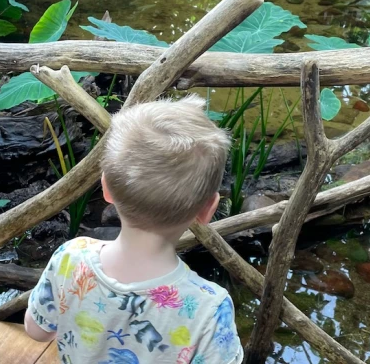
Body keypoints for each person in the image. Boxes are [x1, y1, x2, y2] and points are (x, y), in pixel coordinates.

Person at [24, 94, 244, 363]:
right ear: (207, 209)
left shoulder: (70, 257)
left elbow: (37, 331)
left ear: (106, 187)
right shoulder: (209, 307)